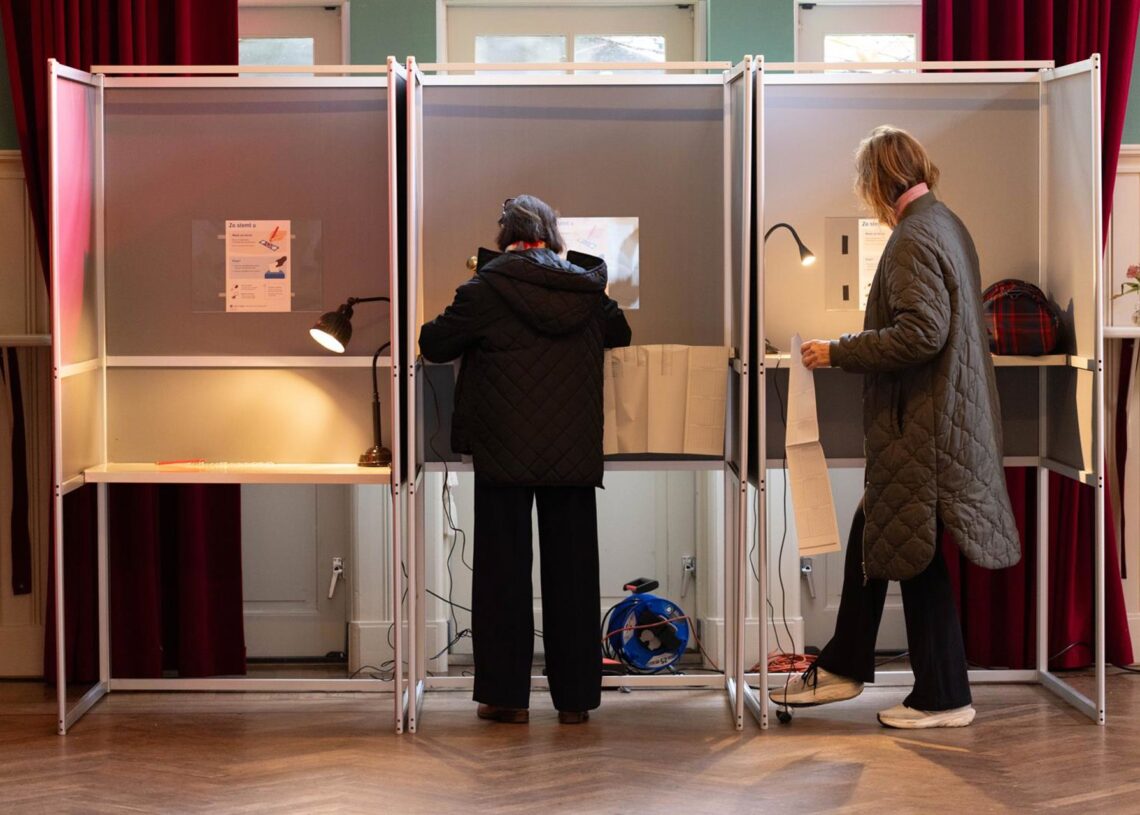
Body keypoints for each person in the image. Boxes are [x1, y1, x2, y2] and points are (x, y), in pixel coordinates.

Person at [775, 126, 1021, 729]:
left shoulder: (913, 238)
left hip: (925, 429)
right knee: (881, 535)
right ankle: (848, 664)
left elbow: (922, 333)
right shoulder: (947, 224)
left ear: (875, 184)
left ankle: (942, 697)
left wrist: (840, 351)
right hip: (944, 422)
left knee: (912, 554)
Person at [419, 194, 632, 725]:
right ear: (554, 237)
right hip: (572, 452)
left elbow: (434, 343)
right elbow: (621, 333)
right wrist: (580, 266)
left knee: (501, 576)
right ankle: (576, 700)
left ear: (503, 237)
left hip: (502, 449)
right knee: (575, 576)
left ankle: (506, 698)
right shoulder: (585, 288)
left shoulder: (486, 287)